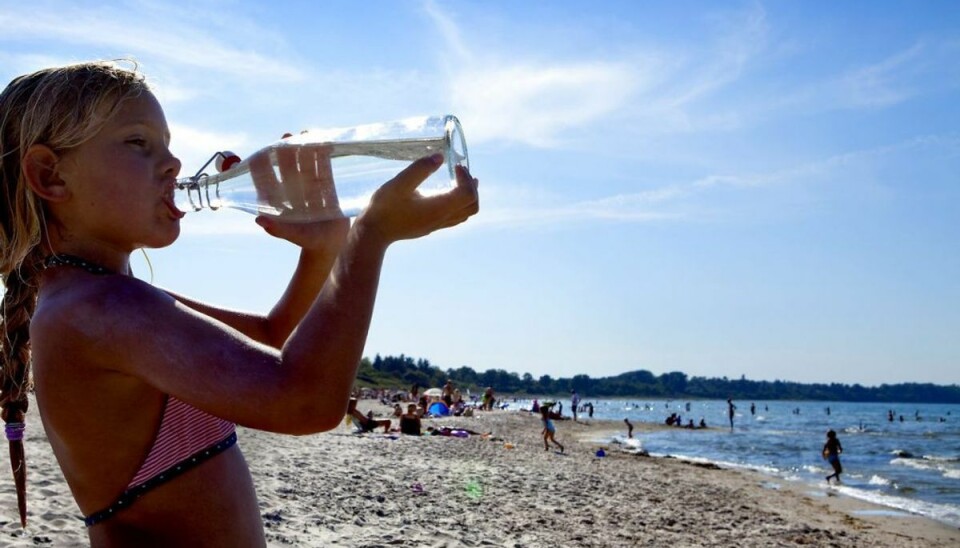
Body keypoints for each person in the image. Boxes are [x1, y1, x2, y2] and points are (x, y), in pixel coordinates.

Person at [0, 61, 478, 545]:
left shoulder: (100, 299)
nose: (174, 165)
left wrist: (324, 250)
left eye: (167, 144)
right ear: (51, 175)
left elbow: (273, 340)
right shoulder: (97, 310)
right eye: (138, 143)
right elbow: (305, 400)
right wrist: (370, 237)